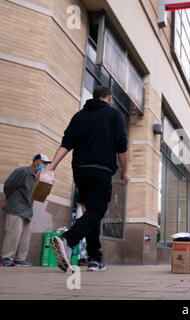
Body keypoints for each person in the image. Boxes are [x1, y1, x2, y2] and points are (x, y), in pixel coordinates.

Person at [46, 85, 129, 273]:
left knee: (92, 213)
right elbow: (121, 147)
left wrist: (51, 166)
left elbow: (66, 144)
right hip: (101, 170)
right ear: (108, 98)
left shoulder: (79, 116)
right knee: (98, 209)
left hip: (80, 171)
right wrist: (125, 170)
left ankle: (94, 258)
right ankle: (67, 239)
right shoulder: (114, 115)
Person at [1, 154, 51, 267]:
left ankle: (20, 259)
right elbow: (8, 186)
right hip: (16, 206)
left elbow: (39, 195)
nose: (45, 166)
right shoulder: (22, 171)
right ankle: (6, 258)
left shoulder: (38, 176)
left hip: (28, 209)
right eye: (44, 163)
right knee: (13, 234)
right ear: (36, 162)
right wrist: (9, 200)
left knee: (25, 237)